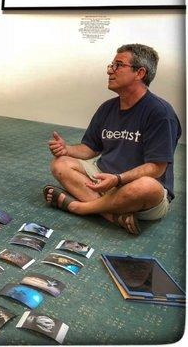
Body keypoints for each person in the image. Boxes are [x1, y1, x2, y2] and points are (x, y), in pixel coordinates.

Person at [43, 43, 181, 235]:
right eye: (111, 65)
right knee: (61, 164)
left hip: (136, 187)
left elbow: (157, 168)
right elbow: (90, 148)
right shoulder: (107, 108)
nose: (110, 70)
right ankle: (112, 215)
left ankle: (80, 207)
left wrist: (118, 179)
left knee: (147, 187)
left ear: (139, 73)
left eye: (118, 65)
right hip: (104, 178)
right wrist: (66, 149)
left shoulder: (160, 113)